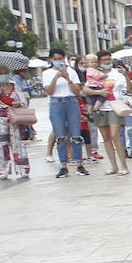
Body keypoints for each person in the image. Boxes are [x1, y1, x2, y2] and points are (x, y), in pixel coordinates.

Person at [40, 47, 88, 177]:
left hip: (71, 101)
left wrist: (68, 78)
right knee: (60, 135)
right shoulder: (47, 73)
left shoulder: (71, 72)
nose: (58, 61)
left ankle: (79, 163)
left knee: (75, 134)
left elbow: (77, 91)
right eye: (55, 59)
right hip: (56, 102)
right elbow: (49, 91)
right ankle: (63, 165)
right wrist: (56, 77)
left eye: (60, 59)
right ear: (51, 60)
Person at [80, 55, 130, 176]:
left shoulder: (116, 74)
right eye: (102, 60)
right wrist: (99, 92)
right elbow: (85, 89)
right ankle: (114, 166)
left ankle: (124, 165)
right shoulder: (94, 73)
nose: (105, 62)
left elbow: (128, 89)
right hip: (101, 108)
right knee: (106, 137)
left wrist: (126, 75)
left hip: (114, 106)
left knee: (115, 135)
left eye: (108, 59)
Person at [0, 67, 30, 181]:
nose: (3, 75)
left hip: (15, 118)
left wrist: (18, 103)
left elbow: (24, 101)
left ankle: (23, 168)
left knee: (19, 143)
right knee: (2, 145)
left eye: (5, 73)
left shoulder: (14, 86)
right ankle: (3, 170)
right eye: (0, 73)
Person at [100, 49, 132, 159]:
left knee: (130, 129)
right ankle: (123, 150)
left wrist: (125, 75)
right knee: (117, 133)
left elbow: (131, 92)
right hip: (110, 107)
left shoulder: (121, 77)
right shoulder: (100, 75)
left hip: (125, 108)